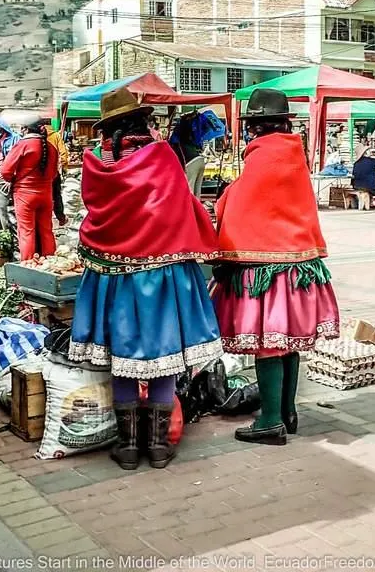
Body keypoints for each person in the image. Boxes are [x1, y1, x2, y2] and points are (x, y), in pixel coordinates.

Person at [69, 87, 221, 470]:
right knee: (164, 357)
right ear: (142, 122)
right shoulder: (161, 157)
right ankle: (157, 445)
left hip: (112, 276)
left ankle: (128, 446)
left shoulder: (95, 163)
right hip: (162, 274)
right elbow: (182, 206)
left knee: (122, 359)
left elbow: (93, 216)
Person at [212, 89, 340, 446]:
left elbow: (240, 205)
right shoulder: (293, 152)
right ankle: (286, 412)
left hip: (265, 267)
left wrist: (224, 199)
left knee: (268, 342)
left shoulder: (262, 155)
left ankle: (269, 420)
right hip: (299, 264)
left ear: (253, 126)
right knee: (287, 342)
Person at [1, 117, 58, 261]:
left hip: (24, 195)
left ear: (25, 129)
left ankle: (28, 266)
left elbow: (5, 171)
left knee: (26, 232)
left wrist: (13, 180)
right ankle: (51, 265)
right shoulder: (51, 147)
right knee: (46, 231)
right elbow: (54, 174)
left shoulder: (23, 145)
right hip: (46, 194)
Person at [171, 114, 206, 197]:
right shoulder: (192, 134)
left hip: (191, 163)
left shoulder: (177, 140)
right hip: (200, 160)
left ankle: (190, 209)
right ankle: (197, 209)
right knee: (197, 192)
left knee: (189, 192)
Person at [46, 123, 69, 226]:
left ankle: (46, 220)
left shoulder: (36, 135)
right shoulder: (56, 135)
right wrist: (64, 168)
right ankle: (61, 218)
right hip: (54, 172)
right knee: (56, 196)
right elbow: (63, 153)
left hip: (40, 174)